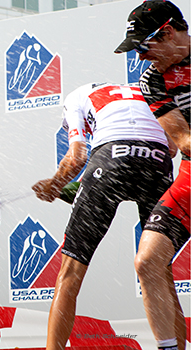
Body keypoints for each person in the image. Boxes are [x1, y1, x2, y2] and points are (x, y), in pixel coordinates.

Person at [32, 82, 178, 350]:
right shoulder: (143, 90)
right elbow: (172, 148)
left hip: (110, 159)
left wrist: (54, 185)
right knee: (161, 273)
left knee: (69, 273)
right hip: (156, 162)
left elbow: (76, 158)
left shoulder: (75, 98)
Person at [114, 2, 190, 349]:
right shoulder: (153, 79)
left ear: (169, 32)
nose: (142, 58)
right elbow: (184, 139)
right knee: (147, 261)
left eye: (145, 47)